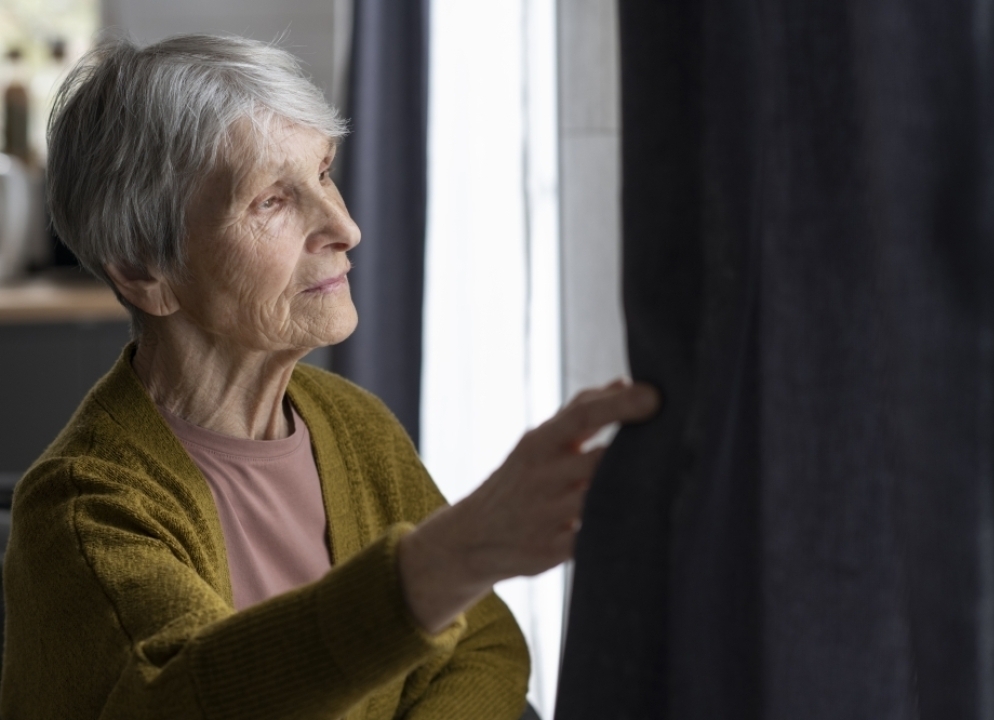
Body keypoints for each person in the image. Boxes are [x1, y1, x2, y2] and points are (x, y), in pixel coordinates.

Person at [0, 34, 659, 719]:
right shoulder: (81, 509)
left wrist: (453, 567)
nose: (344, 226)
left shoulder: (351, 424)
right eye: (271, 202)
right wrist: (449, 560)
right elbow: (192, 698)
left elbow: (486, 648)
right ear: (143, 271)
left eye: (324, 172)